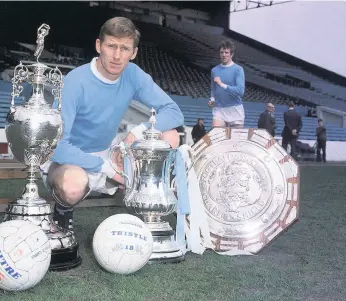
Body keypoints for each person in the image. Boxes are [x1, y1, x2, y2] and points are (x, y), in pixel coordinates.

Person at [40, 17, 184, 229]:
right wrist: (108, 169)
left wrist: (136, 133)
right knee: (73, 186)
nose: (117, 56)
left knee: (170, 136)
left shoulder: (133, 74)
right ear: (99, 46)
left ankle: (147, 203)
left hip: (109, 151)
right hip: (71, 159)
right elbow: (57, 147)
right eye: (111, 46)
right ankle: (63, 212)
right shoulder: (75, 81)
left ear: (133, 53)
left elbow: (174, 112)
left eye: (124, 49)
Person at [208, 40, 245, 128]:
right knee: (217, 138)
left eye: (226, 52)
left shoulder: (238, 69)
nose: (224, 55)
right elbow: (213, 88)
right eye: (221, 52)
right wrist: (212, 100)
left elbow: (240, 91)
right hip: (219, 110)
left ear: (231, 54)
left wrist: (222, 84)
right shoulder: (214, 70)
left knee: (235, 141)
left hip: (235, 110)